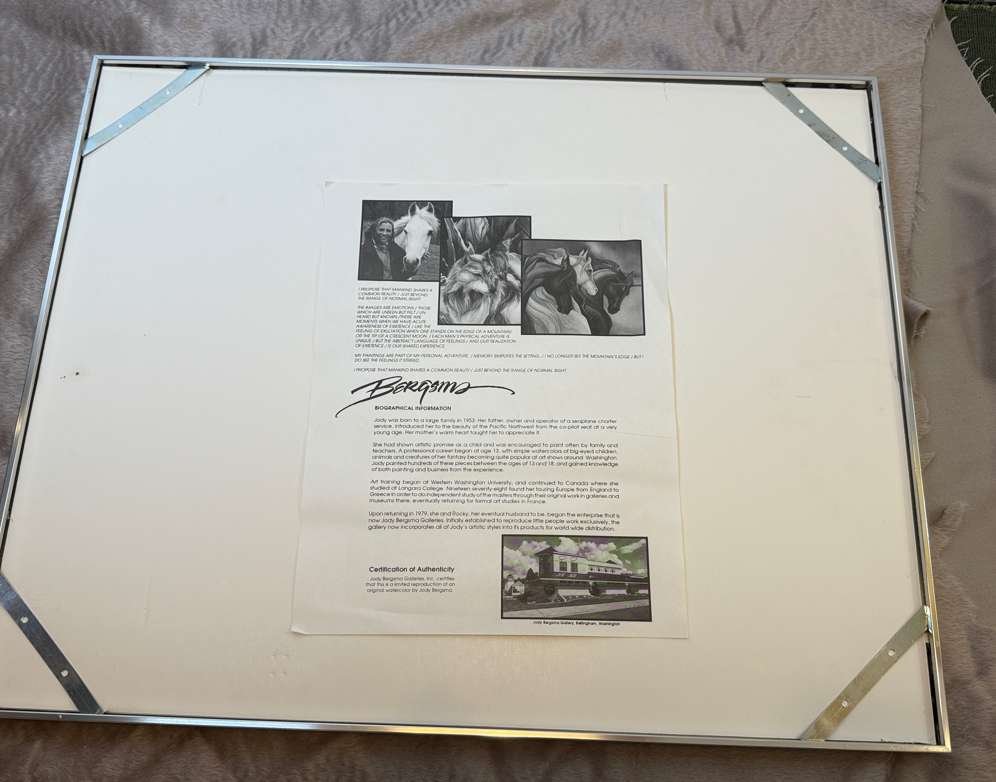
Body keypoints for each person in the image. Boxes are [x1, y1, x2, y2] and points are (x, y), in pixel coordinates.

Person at [357, 216, 410, 281]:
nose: (385, 233)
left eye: (388, 231)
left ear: (392, 233)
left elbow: (402, 276)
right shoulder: (363, 251)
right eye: (381, 230)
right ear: (374, 231)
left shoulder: (398, 252)